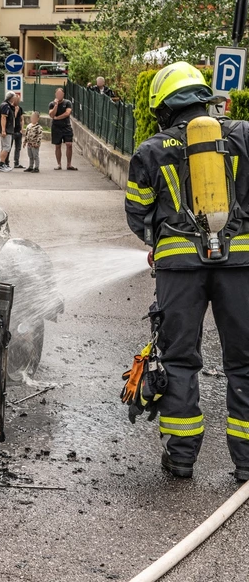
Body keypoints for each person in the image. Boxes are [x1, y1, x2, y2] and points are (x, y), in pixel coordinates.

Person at [125, 61, 249, 482]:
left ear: (164, 108)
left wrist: (157, 241)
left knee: (178, 362)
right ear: (204, 99)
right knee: (245, 364)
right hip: (242, 267)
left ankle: (180, 459)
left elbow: (137, 214)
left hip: (179, 270)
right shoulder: (245, 134)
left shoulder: (150, 150)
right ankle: (247, 463)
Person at [49, 87, 77, 171]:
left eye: (60, 94)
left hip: (66, 126)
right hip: (56, 127)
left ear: (63, 94)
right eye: (57, 94)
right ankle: (59, 164)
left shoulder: (67, 102)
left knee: (69, 144)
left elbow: (67, 113)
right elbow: (51, 115)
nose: (59, 95)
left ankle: (69, 164)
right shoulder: (52, 104)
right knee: (57, 146)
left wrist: (58, 118)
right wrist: (56, 105)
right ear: (55, 95)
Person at [0, 92, 17, 172]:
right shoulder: (5, 105)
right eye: (14, 97)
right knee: (7, 147)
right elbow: (3, 117)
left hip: (7, 129)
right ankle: (1, 164)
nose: (15, 98)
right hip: (6, 130)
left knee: (4, 147)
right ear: (11, 98)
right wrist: (3, 130)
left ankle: (2, 163)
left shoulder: (7, 105)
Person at [9, 93, 24, 169]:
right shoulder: (10, 108)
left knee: (18, 148)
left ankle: (16, 163)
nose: (18, 101)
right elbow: (12, 118)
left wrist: (22, 129)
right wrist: (15, 111)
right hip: (12, 131)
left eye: (19, 100)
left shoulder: (20, 108)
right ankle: (6, 162)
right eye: (17, 99)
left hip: (19, 131)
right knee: (9, 147)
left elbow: (21, 119)